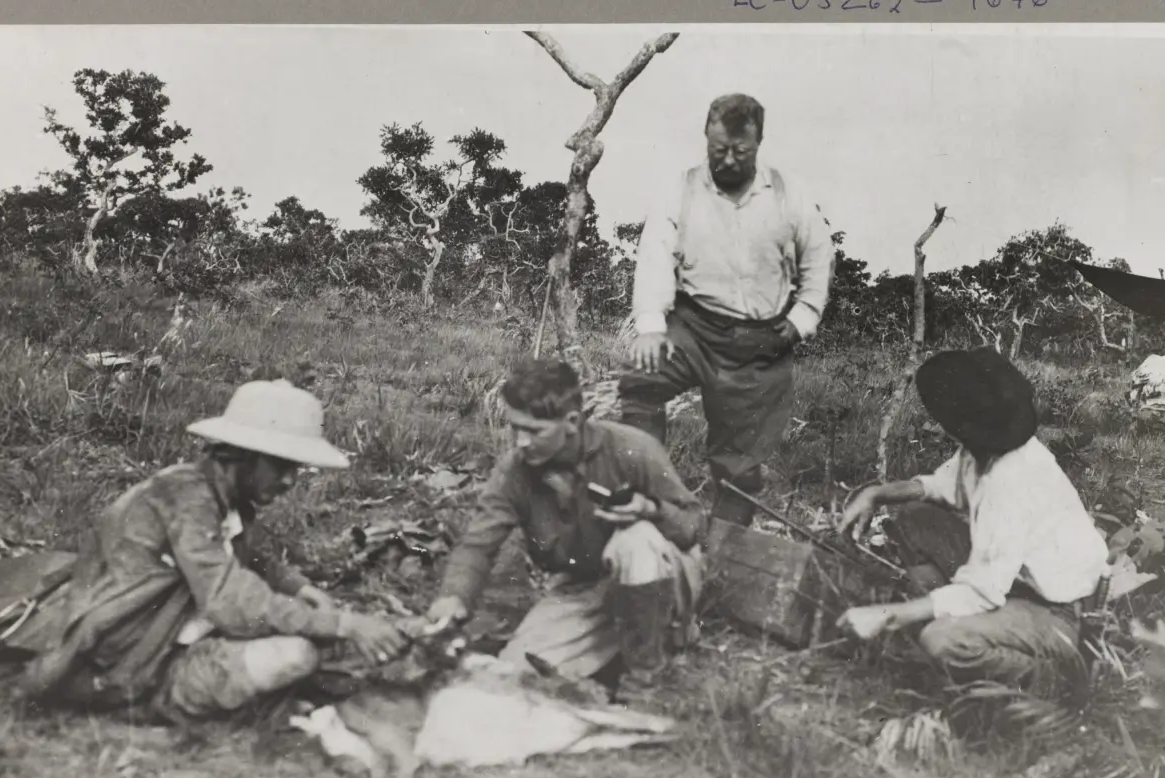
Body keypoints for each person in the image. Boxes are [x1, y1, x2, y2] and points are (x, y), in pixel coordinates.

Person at [13, 379, 409, 725]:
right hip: (130, 656)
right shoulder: (186, 498)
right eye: (280, 466)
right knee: (298, 655)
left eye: (296, 468)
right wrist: (342, 623)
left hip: (169, 630)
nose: (290, 481)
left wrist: (297, 587)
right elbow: (231, 600)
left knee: (320, 646)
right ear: (242, 455)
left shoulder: (223, 497)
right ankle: (156, 702)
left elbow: (247, 558)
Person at [425, 358, 709, 700]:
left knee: (635, 541)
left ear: (572, 422)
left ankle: (645, 676)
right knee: (517, 672)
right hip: (585, 589)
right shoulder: (515, 472)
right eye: (515, 428)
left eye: (534, 431)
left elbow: (695, 526)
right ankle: (623, 645)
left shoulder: (631, 448)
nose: (521, 442)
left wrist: (651, 510)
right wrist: (453, 597)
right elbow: (478, 545)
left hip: (664, 578)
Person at [834, 348, 1109, 698]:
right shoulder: (984, 447)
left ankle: (1058, 680)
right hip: (1013, 580)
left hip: (1056, 611)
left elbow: (984, 590)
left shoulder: (1011, 481)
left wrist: (886, 615)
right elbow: (937, 486)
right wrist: (876, 493)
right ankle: (942, 617)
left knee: (942, 641)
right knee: (917, 516)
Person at [617, 92, 836, 530]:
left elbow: (818, 257)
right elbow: (655, 255)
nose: (730, 160)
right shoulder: (681, 189)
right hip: (694, 325)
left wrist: (801, 320)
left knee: (740, 461)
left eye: (741, 151)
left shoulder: (788, 193)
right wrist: (651, 326)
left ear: (758, 143)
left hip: (761, 340)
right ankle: (645, 500)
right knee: (642, 381)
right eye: (719, 150)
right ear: (706, 138)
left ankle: (723, 546)